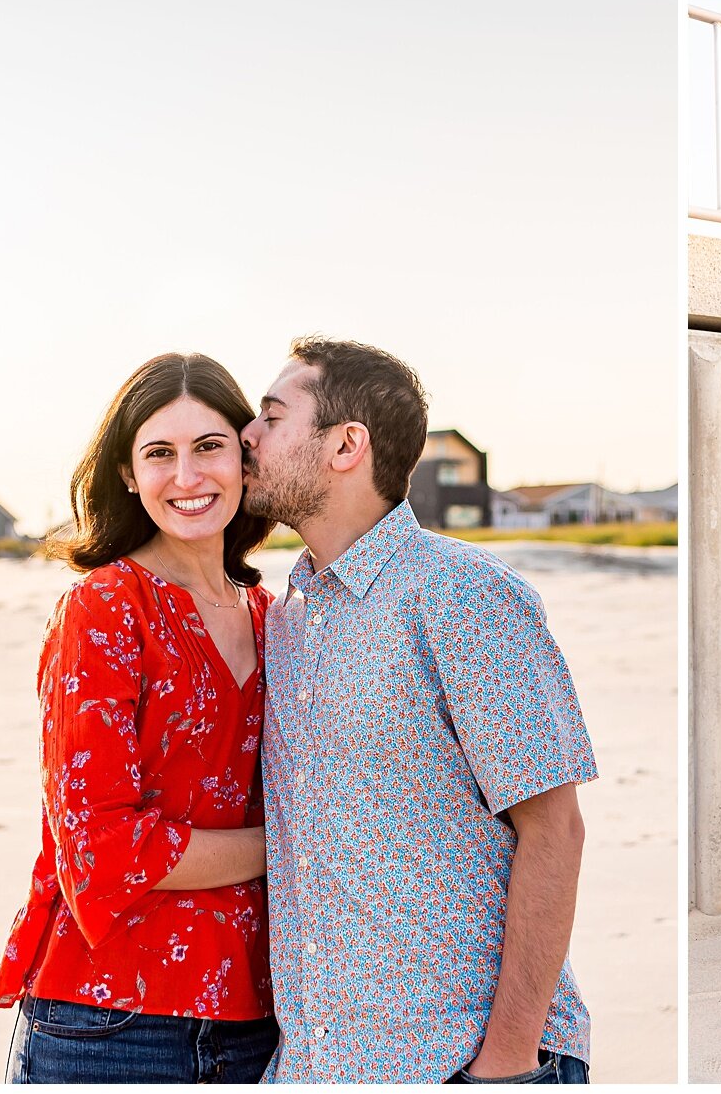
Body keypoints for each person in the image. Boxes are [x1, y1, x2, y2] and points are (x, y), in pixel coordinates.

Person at [239, 337, 595, 1084]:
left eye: (272, 416)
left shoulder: (461, 594)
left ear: (346, 445)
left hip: (457, 1061)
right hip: (316, 1067)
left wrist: (505, 1062)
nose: (248, 435)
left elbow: (555, 829)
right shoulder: (284, 618)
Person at [0, 354, 279, 1082]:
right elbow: (104, 847)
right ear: (128, 473)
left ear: (244, 458)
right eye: (160, 453)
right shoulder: (107, 606)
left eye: (209, 446)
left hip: (265, 1015)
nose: (187, 476)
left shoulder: (280, 618)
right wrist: (298, 839)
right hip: (110, 1018)